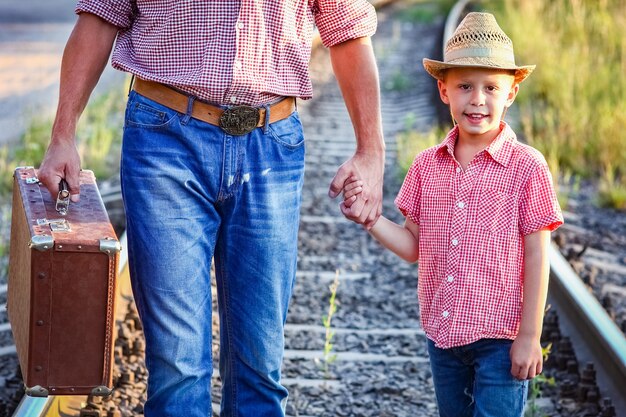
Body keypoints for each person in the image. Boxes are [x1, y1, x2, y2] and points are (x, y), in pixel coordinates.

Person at [37, 2, 385, 416]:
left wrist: (371, 150)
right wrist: (63, 134)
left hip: (270, 143)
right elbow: (99, 15)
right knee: (177, 367)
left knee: (260, 366)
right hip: (165, 139)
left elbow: (347, 31)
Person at [340, 12, 563, 417]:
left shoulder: (528, 167)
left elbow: (537, 255)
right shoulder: (426, 165)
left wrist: (530, 335)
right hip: (443, 338)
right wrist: (371, 220)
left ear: (511, 93)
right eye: (464, 86)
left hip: (501, 338)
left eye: (490, 88)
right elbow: (413, 246)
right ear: (444, 90)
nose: (477, 99)